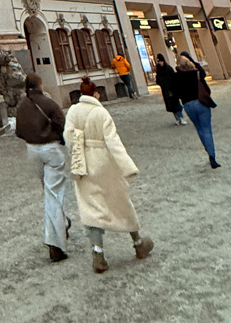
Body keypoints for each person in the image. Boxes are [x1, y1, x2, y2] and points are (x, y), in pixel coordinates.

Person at [64, 77, 153, 274]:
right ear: (95, 94)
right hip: (104, 161)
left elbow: (68, 137)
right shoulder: (101, 112)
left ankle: (98, 253)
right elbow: (113, 141)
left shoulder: (73, 111)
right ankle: (138, 243)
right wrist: (128, 166)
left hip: (83, 164)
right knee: (120, 201)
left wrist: (75, 156)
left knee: (92, 208)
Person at [15, 73, 71, 263]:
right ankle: (55, 244)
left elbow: (18, 131)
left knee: (48, 191)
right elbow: (61, 122)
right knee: (53, 195)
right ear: (40, 85)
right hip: (50, 149)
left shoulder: (22, 106)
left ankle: (63, 222)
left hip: (32, 151)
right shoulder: (48, 103)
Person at [173, 51, 220, 168]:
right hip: (200, 102)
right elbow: (203, 76)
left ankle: (208, 150)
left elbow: (176, 93)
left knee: (199, 128)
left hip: (188, 105)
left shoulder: (176, 76)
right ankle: (212, 156)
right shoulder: (195, 72)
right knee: (206, 129)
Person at [154, 54, 186, 125]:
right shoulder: (159, 70)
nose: (160, 63)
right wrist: (161, 83)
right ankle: (177, 119)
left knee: (176, 104)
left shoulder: (168, 69)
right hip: (165, 90)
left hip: (172, 89)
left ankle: (181, 117)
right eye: (159, 61)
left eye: (161, 61)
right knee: (171, 105)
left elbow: (174, 78)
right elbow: (158, 80)